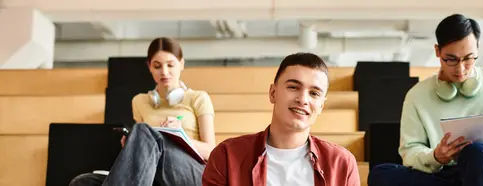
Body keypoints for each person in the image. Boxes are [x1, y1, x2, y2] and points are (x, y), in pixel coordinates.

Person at [367, 14, 483, 186]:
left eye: (468, 58)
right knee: (380, 174)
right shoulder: (416, 95)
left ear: (477, 49)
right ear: (437, 51)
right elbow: (410, 152)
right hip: (443, 174)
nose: (460, 68)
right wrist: (436, 156)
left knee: (477, 152)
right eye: (451, 60)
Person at [69, 37, 216, 186]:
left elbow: (212, 152)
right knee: (83, 182)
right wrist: (132, 143)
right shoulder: (139, 101)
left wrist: (182, 136)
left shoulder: (198, 98)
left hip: (192, 172)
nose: (164, 72)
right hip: (155, 175)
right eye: (157, 66)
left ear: (181, 64)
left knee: (143, 130)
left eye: (170, 65)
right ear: (149, 67)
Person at [201, 52, 361, 186]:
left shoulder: (342, 163)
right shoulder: (227, 155)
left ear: (321, 106)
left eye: (314, 93)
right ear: (273, 93)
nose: (303, 99)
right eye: (293, 87)